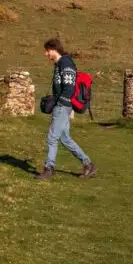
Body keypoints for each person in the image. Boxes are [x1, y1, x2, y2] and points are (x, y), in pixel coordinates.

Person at [36, 38, 96, 180]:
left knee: (52, 137)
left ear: (54, 49)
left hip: (62, 106)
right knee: (65, 138)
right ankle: (88, 164)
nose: (46, 54)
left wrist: (59, 104)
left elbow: (68, 89)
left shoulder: (66, 64)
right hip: (62, 105)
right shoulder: (59, 64)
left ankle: (49, 168)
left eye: (47, 51)